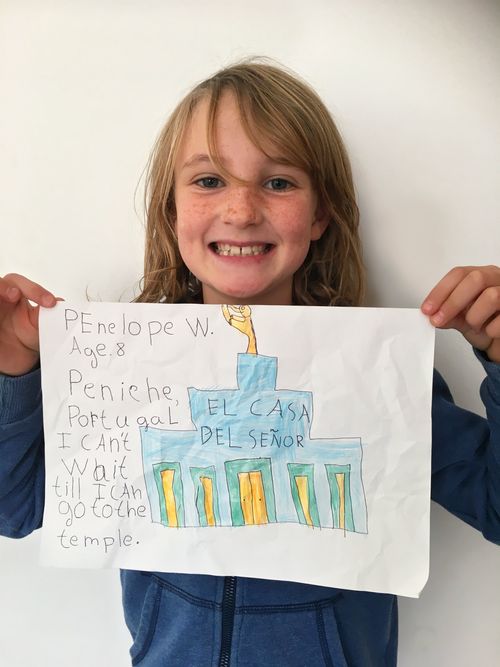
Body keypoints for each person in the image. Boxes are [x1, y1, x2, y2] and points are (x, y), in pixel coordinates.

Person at [0, 59, 499, 666]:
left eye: (278, 182)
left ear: (320, 216)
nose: (240, 211)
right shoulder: (123, 370)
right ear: (171, 212)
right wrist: (13, 376)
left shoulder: (380, 374)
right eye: (208, 181)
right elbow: (14, 507)